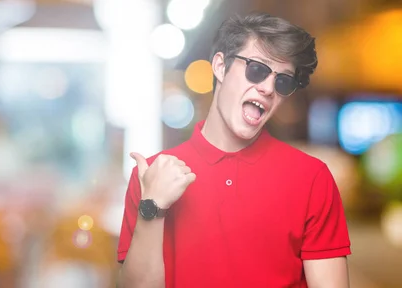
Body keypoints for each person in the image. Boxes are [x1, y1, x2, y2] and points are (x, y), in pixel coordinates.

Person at [117, 12, 351, 288]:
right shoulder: (151, 175)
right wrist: (152, 206)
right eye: (257, 69)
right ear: (220, 65)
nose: (267, 88)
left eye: (282, 81)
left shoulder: (312, 178)